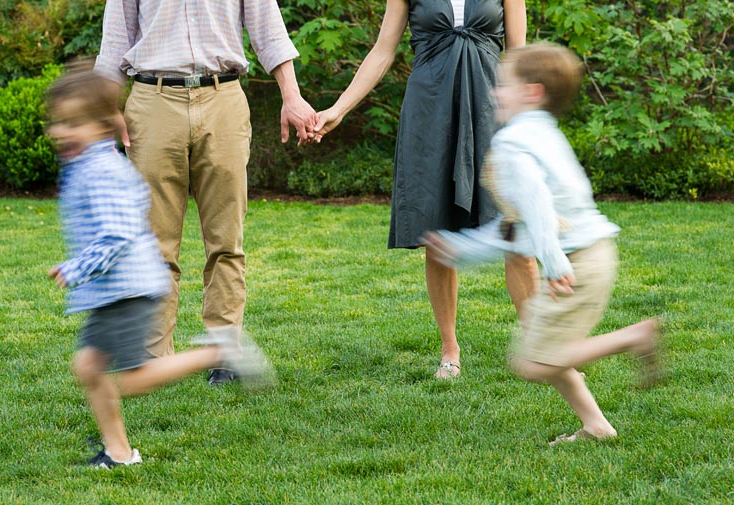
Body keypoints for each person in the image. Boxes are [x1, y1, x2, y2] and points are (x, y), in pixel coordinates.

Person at [423, 43, 662, 444]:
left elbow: (535, 207)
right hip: (592, 255)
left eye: (503, 85)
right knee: (543, 344)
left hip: (575, 264)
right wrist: (463, 248)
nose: (496, 93)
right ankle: (596, 426)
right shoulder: (544, 136)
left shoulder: (515, 144)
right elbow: (515, 228)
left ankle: (634, 337)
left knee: (532, 362)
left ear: (532, 92)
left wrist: (553, 264)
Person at [46, 70, 273, 468]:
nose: (61, 132)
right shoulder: (91, 164)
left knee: (131, 378)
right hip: (114, 290)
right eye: (57, 123)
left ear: (103, 127)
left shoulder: (103, 172)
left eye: (73, 124)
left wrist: (77, 269)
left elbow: (117, 236)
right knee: (88, 366)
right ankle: (118, 452)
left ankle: (218, 351)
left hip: (126, 290)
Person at [94, 0, 317, 385]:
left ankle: (224, 354)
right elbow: (115, 39)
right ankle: (152, 358)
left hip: (223, 99)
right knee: (154, 245)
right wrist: (105, 106)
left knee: (226, 240)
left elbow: (268, 28)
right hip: (152, 101)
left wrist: (292, 96)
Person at [312, 0, 537, 378]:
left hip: (491, 110)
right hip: (430, 111)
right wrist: (339, 108)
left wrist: (528, 124)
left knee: (516, 234)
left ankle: (542, 349)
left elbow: (518, 54)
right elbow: (383, 52)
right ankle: (450, 350)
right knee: (437, 233)